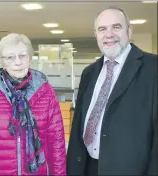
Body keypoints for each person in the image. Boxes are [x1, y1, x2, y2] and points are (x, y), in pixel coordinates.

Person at [67, 6, 157, 176]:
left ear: (129, 31)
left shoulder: (152, 68)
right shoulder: (89, 72)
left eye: (116, 27)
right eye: (102, 29)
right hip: (87, 167)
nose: (109, 34)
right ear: (96, 35)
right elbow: (78, 123)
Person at [0, 33, 66, 175]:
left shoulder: (46, 91)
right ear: (1, 62)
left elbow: (57, 142)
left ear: (30, 59)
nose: (18, 62)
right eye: (10, 57)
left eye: (22, 55)